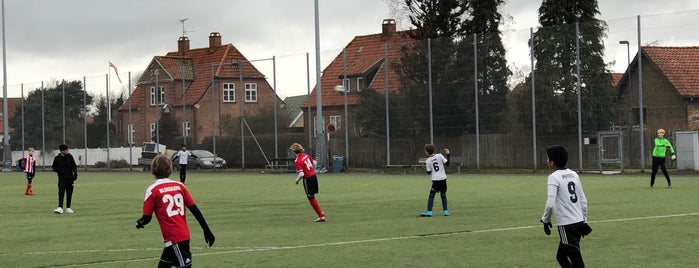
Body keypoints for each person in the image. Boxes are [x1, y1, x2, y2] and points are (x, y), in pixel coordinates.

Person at [136, 154, 215, 268]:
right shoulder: (180, 186)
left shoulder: (152, 190)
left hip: (174, 239)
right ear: (170, 169)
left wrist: (139, 223)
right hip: (180, 237)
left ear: (153, 170)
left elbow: (146, 218)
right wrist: (207, 230)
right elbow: (195, 210)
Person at [540, 145, 591, 268]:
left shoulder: (553, 177)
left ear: (552, 163)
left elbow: (550, 203)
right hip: (578, 222)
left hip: (566, 225)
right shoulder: (574, 174)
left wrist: (545, 220)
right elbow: (583, 201)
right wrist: (584, 219)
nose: (546, 160)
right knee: (561, 256)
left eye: (547, 158)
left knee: (576, 259)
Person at [290, 143, 326, 222]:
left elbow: (301, 173)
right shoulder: (305, 155)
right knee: (312, 196)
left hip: (308, 179)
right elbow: (315, 163)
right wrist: (313, 170)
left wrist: (297, 180)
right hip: (314, 177)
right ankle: (321, 213)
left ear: (293, 151)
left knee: (310, 197)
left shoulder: (297, 161)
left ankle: (321, 215)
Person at [419, 144, 450, 217]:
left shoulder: (428, 161)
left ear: (426, 152)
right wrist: (448, 154)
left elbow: (428, 172)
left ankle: (429, 212)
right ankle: (445, 212)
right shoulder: (440, 155)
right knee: (443, 195)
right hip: (443, 179)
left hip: (436, 180)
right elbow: (447, 163)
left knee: (431, 195)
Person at [52, 144, 77, 214]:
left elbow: (74, 166)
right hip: (61, 179)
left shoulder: (70, 157)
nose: (67, 151)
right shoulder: (57, 158)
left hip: (70, 178)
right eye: (66, 150)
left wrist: (75, 174)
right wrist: (59, 170)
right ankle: (60, 207)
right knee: (61, 192)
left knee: (69, 193)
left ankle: (68, 208)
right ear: (62, 151)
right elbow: (54, 167)